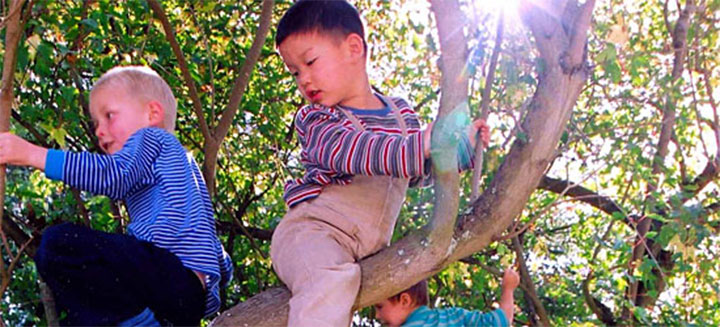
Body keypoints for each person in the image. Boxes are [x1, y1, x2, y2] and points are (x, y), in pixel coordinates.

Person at [269, 1, 490, 326]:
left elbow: (417, 171)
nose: (304, 79)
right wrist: (424, 142)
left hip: (363, 250)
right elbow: (357, 151)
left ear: (353, 48)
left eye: (311, 62)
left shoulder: (401, 115)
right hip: (313, 233)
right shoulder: (318, 119)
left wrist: (459, 151)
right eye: (295, 72)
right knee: (328, 283)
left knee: (362, 295)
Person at [0, 66, 233, 326]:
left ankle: (138, 322)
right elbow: (215, 250)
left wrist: (33, 155)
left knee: (59, 244)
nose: (100, 131)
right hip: (186, 301)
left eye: (109, 116)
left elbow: (113, 175)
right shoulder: (183, 171)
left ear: (152, 114)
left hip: (168, 280)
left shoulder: (153, 139)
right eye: (96, 123)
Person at [374, 268, 520, 327]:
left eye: (380, 307)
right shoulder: (454, 316)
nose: (377, 315)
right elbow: (501, 322)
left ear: (405, 300)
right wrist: (508, 289)